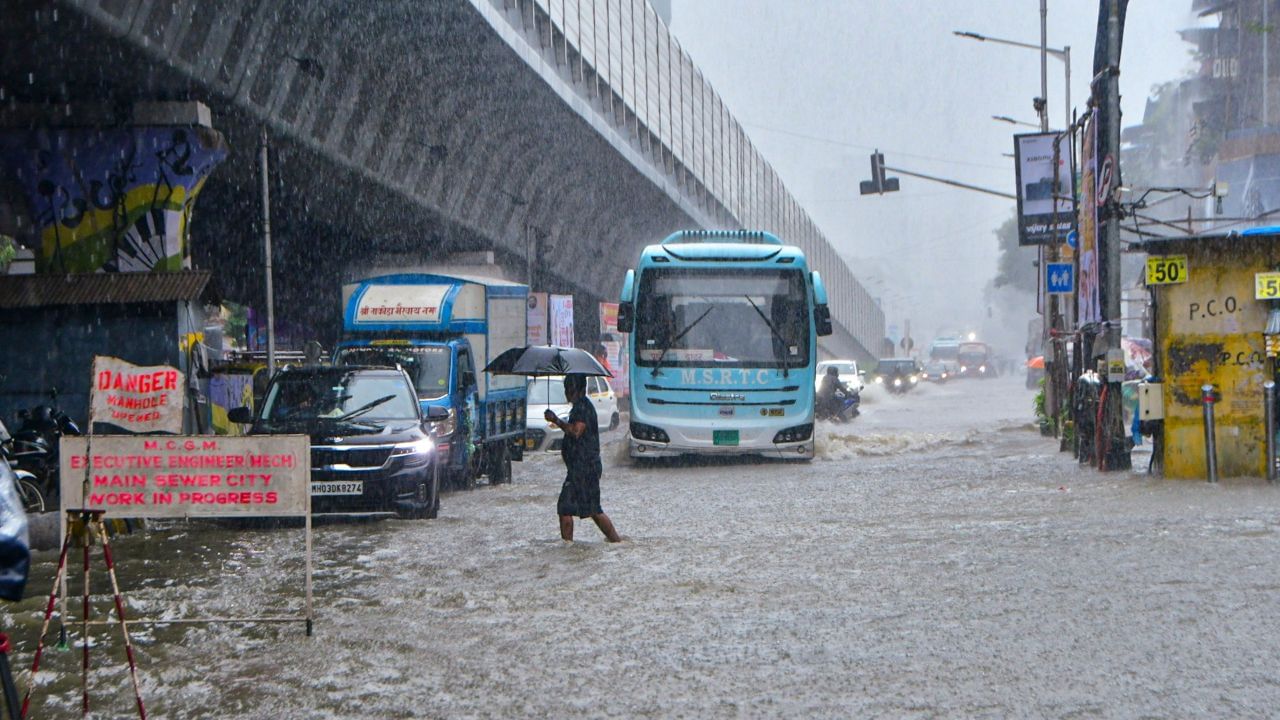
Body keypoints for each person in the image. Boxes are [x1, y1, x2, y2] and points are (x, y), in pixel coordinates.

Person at [544, 374, 621, 543]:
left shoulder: (583, 408)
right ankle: (615, 542)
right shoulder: (579, 407)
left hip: (585, 468)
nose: (567, 393)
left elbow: (576, 431)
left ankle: (569, 546)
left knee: (571, 508)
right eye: (565, 389)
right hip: (580, 468)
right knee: (589, 509)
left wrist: (556, 420)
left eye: (569, 390)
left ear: (579, 390)